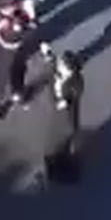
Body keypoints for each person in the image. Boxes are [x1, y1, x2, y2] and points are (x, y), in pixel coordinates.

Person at [38, 47, 84, 186]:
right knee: (57, 147)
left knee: (54, 148)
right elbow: (53, 63)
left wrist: (66, 101)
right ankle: (60, 168)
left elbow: (77, 93)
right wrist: (48, 54)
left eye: (61, 65)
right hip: (58, 115)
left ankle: (58, 173)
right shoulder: (59, 72)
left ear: (69, 69)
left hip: (65, 119)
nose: (58, 66)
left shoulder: (76, 81)